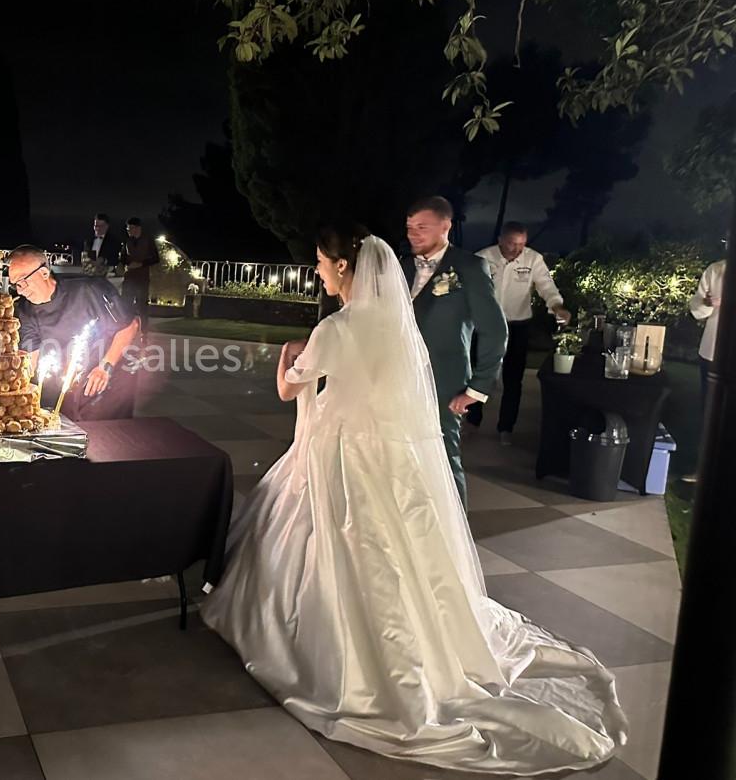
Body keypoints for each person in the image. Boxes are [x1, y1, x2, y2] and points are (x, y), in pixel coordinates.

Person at [201, 224, 627, 775]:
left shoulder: (336, 326)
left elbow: (291, 389)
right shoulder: (399, 328)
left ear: (344, 268)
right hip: (391, 455)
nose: (317, 272)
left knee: (331, 539)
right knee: (398, 546)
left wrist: (286, 355)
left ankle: (329, 646)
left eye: (321, 264)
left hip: (338, 450)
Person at [400, 197, 507, 506]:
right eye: (409, 227)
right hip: (399, 376)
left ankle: (455, 534)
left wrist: (477, 388)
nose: (413, 234)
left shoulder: (469, 266)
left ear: (445, 226)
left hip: (445, 379)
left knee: (444, 456)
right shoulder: (403, 266)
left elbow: (495, 330)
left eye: (422, 227)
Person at [9, 244, 140, 421]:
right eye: (15, 283)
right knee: (66, 424)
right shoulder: (26, 309)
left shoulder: (89, 289)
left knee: (103, 434)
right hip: (69, 380)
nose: (20, 289)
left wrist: (105, 367)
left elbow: (130, 325)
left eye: (24, 279)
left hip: (108, 371)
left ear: (44, 273)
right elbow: (31, 355)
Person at [468, 221, 571, 443]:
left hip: (518, 325)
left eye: (522, 244)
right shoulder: (482, 258)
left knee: (513, 379)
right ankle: (472, 420)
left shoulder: (533, 259)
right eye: (512, 243)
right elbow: (466, 287)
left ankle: (506, 427)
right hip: (486, 325)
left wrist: (557, 306)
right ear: (500, 240)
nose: (517, 249)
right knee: (478, 373)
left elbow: (547, 287)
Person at [685, 243, 727, 483]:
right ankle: (703, 471)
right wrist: (707, 304)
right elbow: (696, 309)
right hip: (712, 354)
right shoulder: (716, 270)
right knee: (709, 415)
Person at [119, 217, 159, 335]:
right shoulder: (127, 241)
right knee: (127, 305)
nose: (128, 231)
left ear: (137, 228)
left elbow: (156, 258)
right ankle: (127, 331)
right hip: (129, 277)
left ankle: (144, 333)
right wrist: (123, 264)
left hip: (142, 277)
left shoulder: (148, 240)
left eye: (130, 228)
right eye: (127, 228)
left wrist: (141, 264)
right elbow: (123, 257)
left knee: (142, 307)